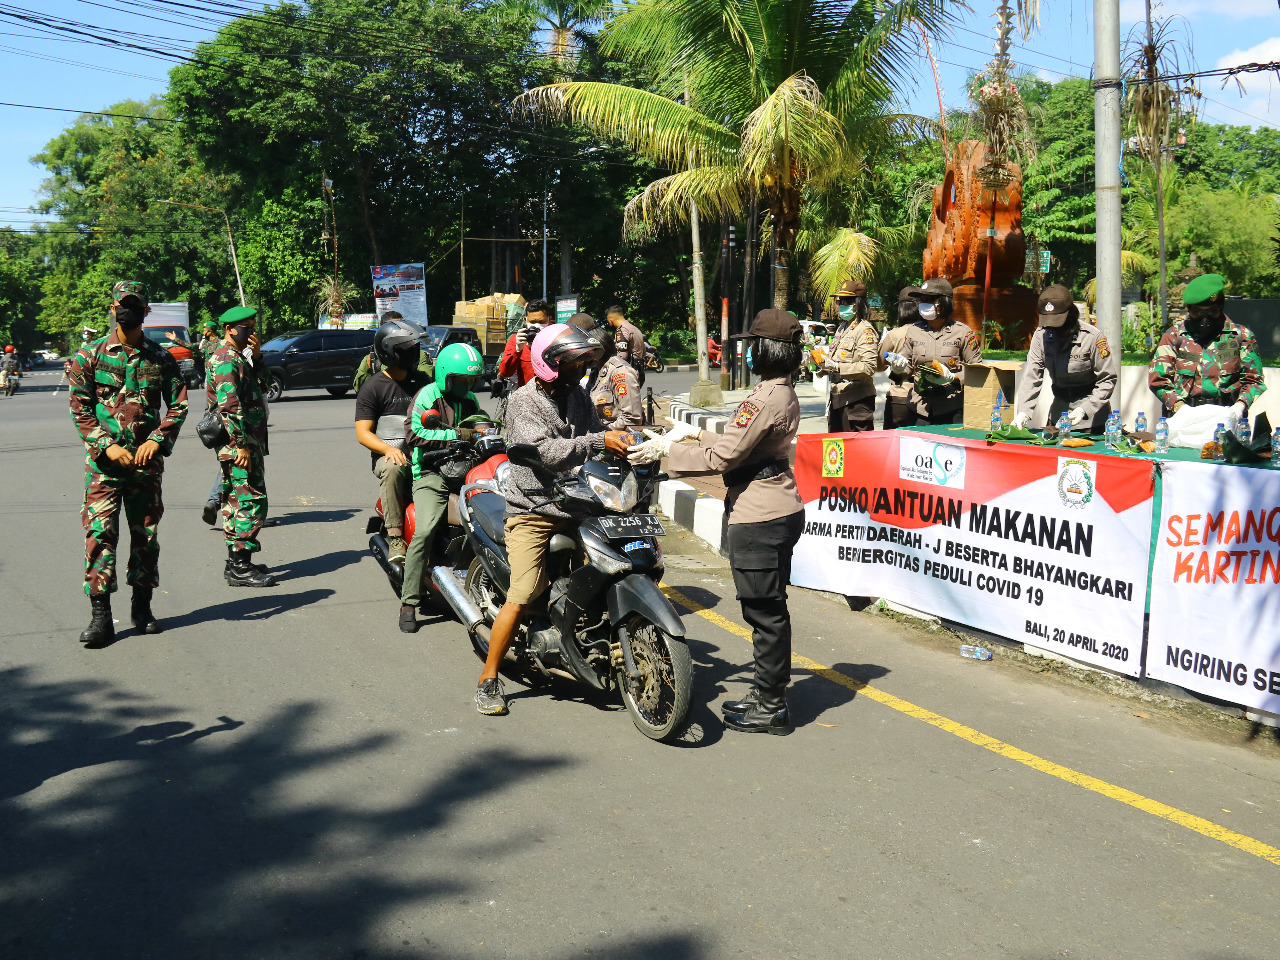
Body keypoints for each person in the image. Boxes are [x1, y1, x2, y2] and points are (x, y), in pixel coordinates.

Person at [629, 309, 805, 736]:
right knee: (769, 609)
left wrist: (665, 456)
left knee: (765, 614)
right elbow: (739, 444)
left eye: (751, 344)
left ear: (764, 349)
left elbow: (724, 457)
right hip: (778, 506)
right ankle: (767, 693)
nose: (746, 350)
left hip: (759, 515)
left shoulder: (763, 398)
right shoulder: (780, 393)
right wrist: (692, 434)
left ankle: (771, 705)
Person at [475, 324, 633, 715]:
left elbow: (597, 432)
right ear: (549, 364)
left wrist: (630, 437)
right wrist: (599, 441)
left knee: (614, 565)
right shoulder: (523, 402)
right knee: (524, 592)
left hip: (581, 502)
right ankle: (488, 678)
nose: (579, 368)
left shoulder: (578, 394)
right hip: (535, 509)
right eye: (571, 362)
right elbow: (547, 451)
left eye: (582, 361)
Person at [67, 280, 188, 646]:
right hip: (104, 469)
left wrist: (157, 438)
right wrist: (105, 446)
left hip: (145, 467)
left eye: (135, 305)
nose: (127, 311)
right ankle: (101, 616)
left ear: (146, 312)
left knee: (145, 536)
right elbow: (80, 408)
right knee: (100, 536)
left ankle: (142, 607)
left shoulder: (161, 357)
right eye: (123, 304)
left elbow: (179, 404)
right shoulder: (89, 356)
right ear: (112, 306)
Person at [398, 342, 487, 633]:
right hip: (431, 472)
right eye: (461, 380)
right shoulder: (427, 396)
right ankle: (409, 602)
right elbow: (414, 433)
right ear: (445, 376)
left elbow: (478, 424)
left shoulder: (471, 399)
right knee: (424, 531)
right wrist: (456, 434)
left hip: (465, 470)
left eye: (471, 380)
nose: (467, 385)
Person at [208, 306, 277, 587]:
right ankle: (240, 566)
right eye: (246, 326)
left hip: (247, 441)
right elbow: (229, 406)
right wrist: (240, 446)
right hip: (240, 444)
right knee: (250, 500)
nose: (251, 331)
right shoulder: (226, 358)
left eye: (252, 326)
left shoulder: (239, 357)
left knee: (235, 501)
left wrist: (258, 357)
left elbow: (267, 385)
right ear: (230, 329)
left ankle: (237, 561)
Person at [354, 318, 432, 567]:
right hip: (389, 455)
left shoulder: (424, 383)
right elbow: (363, 433)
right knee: (392, 467)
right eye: (407, 349)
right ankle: (396, 536)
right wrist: (388, 449)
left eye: (414, 348)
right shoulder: (373, 387)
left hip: (424, 453)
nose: (413, 353)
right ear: (390, 352)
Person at [1149, 273, 1266, 424]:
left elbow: (1254, 380)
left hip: (1227, 417)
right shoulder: (1174, 336)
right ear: (1189, 309)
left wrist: (1240, 406)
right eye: (1197, 312)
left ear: (1221, 307)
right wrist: (1179, 407)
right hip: (1184, 418)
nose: (1205, 319)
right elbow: (1158, 380)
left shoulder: (1241, 336)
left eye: (1212, 312)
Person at [1012, 285, 1118, 434]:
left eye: (1057, 322)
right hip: (1058, 417)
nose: (1053, 328)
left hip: (1092, 420)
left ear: (1070, 315)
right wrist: (1023, 412)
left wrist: (1085, 409)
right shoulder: (1041, 336)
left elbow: (1107, 379)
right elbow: (1032, 376)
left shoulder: (1092, 337)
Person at [880, 278, 981, 426]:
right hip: (919, 407)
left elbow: (978, 370)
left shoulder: (962, 332)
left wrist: (953, 377)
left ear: (944, 302)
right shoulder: (914, 331)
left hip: (951, 409)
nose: (924, 304)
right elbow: (907, 367)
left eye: (930, 300)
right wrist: (898, 368)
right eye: (922, 300)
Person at [820, 279, 881, 432]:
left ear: (857, 303)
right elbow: (835, 360)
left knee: (858, 452)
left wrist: (838, 366)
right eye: (840, 301)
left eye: (847, 301)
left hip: (856, 401)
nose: (841, 305)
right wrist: (821, 365)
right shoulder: (842, 328)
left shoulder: (865, 330)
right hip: (838, 398)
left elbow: (869, 367)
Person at [567, 311, 643, 429]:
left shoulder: (619, 371)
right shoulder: (595, 371)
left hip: (618, 442)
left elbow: (631, 420)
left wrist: (602, 436)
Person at [353, 311, 432, 391]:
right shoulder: (372, 359)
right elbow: (360, 388)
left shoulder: (417, 354)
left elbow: (428, 382)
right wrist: (368, 367)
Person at [497, 299, 552, 389]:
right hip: (526, 398)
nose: (537, 326)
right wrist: (518, 349)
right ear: (526, 320)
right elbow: (505, 372)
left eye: (541, 322)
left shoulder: (555, 339)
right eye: (533, 322)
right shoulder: (516, 340)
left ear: (549, 320)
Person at [605, 305, 647, 383]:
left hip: (628, 373)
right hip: (639, 371)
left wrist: (609, 366)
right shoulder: (635, 329)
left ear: (611, 319)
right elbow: (643, 352)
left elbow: (622, 356)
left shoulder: (622, 331)